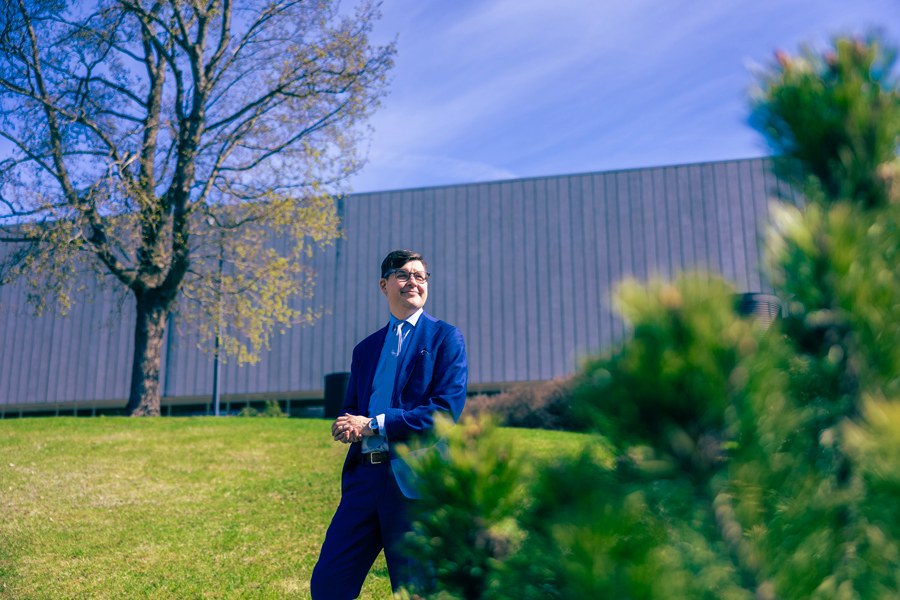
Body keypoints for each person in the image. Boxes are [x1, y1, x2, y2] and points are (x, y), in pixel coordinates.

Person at [310, 249, 468, 599]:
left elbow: (443, 412)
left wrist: (374, 424)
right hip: (364, 480)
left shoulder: (445, 339)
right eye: (403, 275)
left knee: (417, 592)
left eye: (420, 276)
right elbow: (354, 408)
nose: (413, 281)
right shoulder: (365, 349)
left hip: (413, 482)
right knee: (328, 584)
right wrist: (348, 426)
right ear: (384, 285)